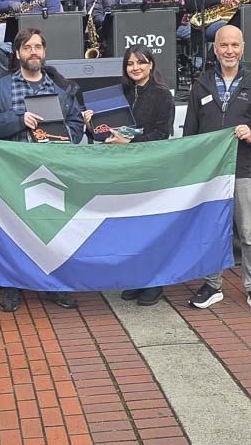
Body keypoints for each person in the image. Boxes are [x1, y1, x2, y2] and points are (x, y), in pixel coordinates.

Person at [0, 27, 84, 313]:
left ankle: (55, 285)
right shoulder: (2, 87)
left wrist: (63, 135)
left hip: (53, 170)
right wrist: (18, 119)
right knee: (15, 229)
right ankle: (14, 286)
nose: (33, 52)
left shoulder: (61, 88)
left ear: (44, 51)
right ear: (17, 54)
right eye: (27, 47)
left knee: (54, 228)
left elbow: (76, 125)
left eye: (38, 46)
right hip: (14, 172)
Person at [182, 25, 251, 314]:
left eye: (235, 45)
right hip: (211, 175)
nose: (229, 50)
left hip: (243, 169)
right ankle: (212, 285)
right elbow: (190, 134)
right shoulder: (202, 84)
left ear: (243, 47)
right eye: (224, 45)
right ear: (215, 49)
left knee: (249, 232)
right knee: (212, 230)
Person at [83, 44, 174, 305]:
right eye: (131, 63)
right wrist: (91, 123)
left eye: (141, 62)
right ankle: (137, 279)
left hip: (148, 169)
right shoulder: (117, 92)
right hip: (121, 170)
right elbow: (101, 134)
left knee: (150, 227)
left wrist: (130, 144)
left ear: (151, 65)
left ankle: (155, 284)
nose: (135, 68)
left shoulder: (162, 94)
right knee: (130, 226)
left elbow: (161, 134)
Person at [0, 0, 61, 79]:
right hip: (9, 26)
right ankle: (2, 82)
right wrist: (7, 4)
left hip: (39, 28)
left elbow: (54, 13)